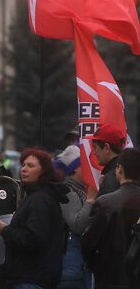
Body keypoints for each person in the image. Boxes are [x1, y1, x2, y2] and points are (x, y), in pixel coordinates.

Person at [0, 148, 68, 289]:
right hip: (33, 276)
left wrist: (5, 230)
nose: (24, 169)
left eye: (31, 166)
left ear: (43, 171)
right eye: (24, 165)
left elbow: (33, 239)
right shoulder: (37, 196)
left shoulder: (39, 199)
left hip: (31, 278)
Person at [82, 148, 140, 288]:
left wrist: (99, 267)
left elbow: (87, 244)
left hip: (109, 278)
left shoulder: (105, 203)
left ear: (119, 169)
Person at [54, 145, 94, 289]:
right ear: (75, 169)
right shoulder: (68, 192)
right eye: (86, 165)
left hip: (78, 267)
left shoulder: (79, 190)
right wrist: (90, 200)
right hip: (71, 269)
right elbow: (77, 225)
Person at [91, 123, 126, 196]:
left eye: (95, 147)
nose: (94, 153)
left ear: (107, 147)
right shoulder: (130, 172)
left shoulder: (111, 179)